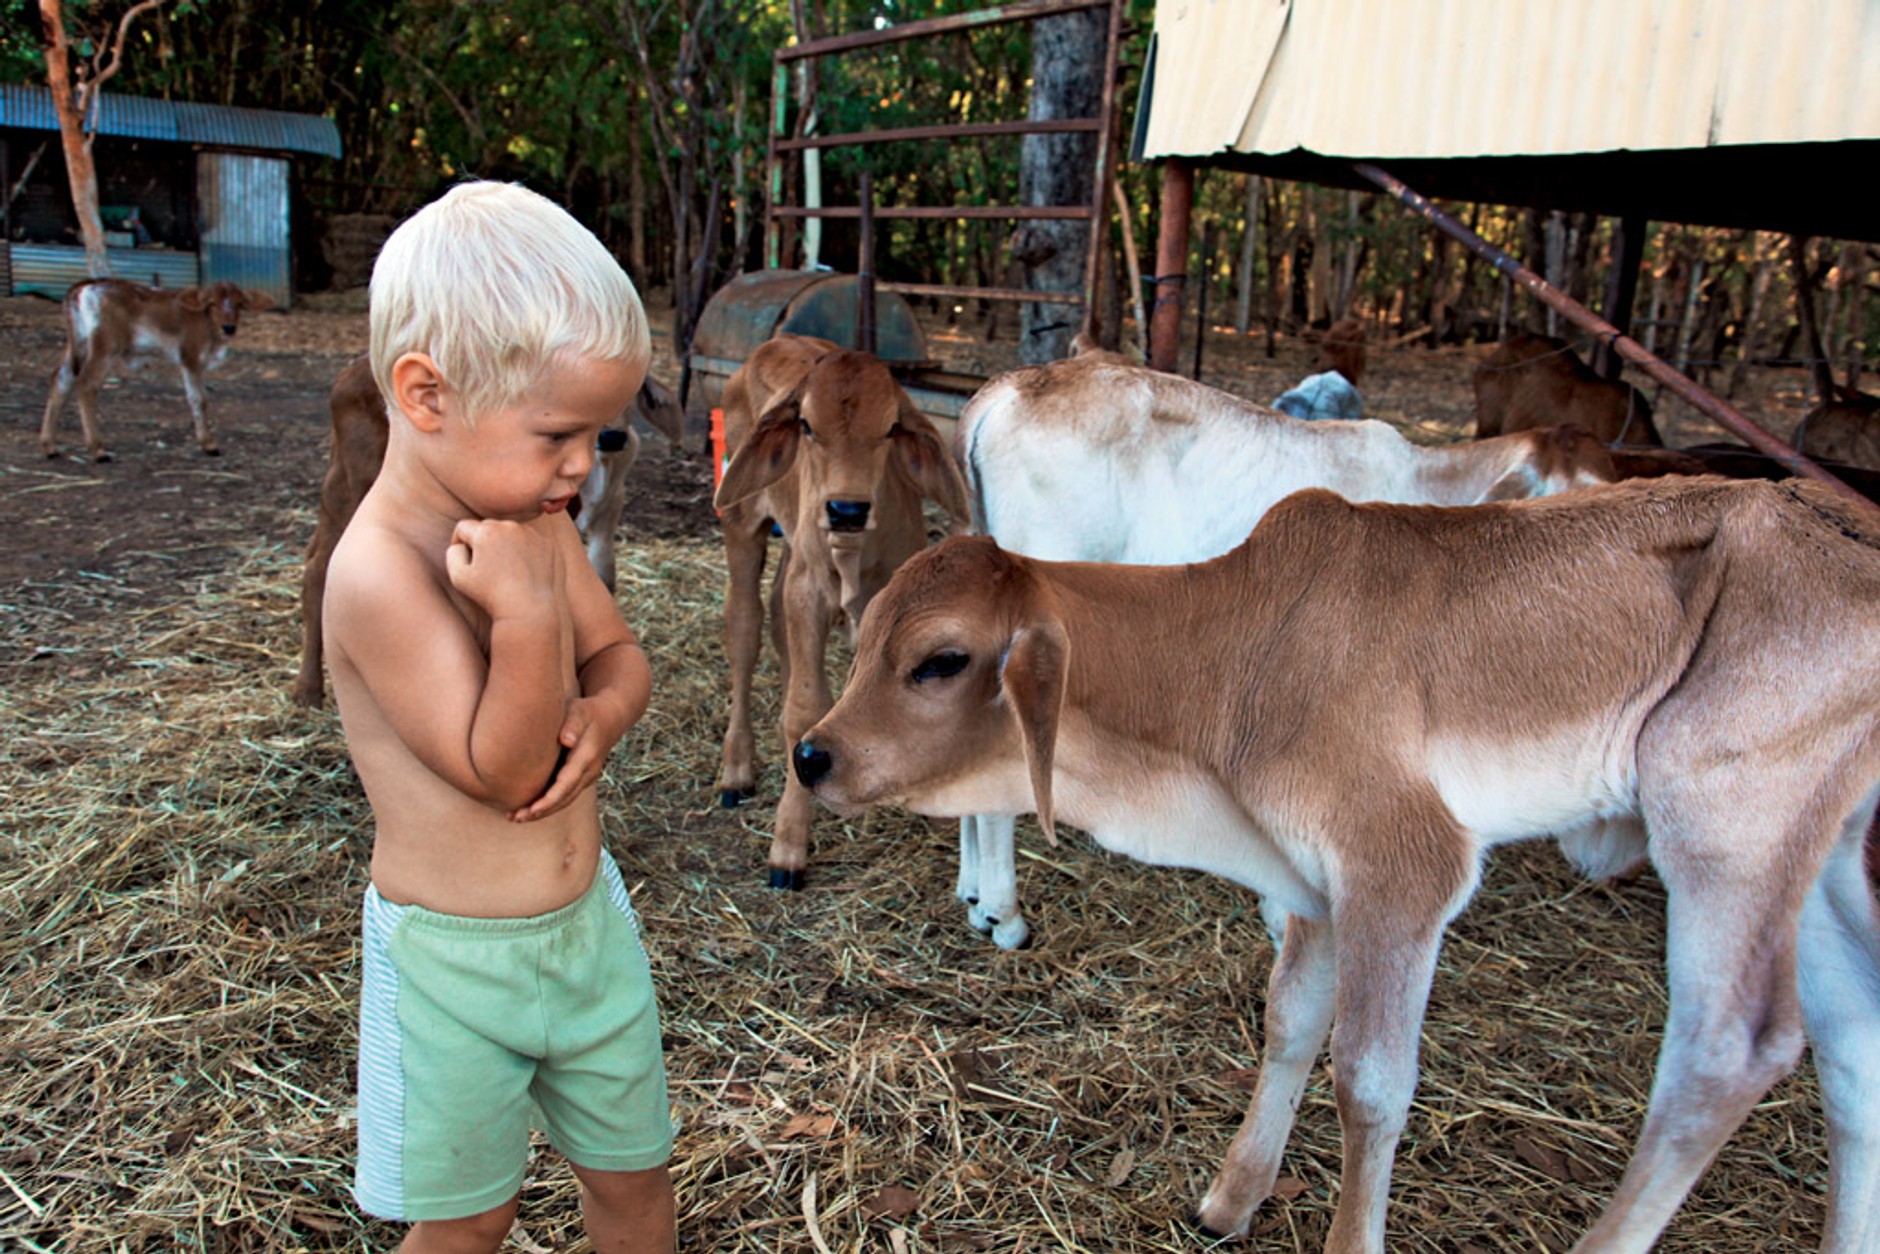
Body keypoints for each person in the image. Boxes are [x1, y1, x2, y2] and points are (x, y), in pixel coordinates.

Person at [322, 180, 674, 1254]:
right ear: (424, 395)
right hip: (451, 966)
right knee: (470, 1218)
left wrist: (605, 716)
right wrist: (525, 618)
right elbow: (505, 772)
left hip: (586, 935)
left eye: (598, 433)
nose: (583, 465)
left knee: (635, 1178)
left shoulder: (531, 514)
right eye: (559, 432)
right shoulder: (377, 575)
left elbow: (618, 656)